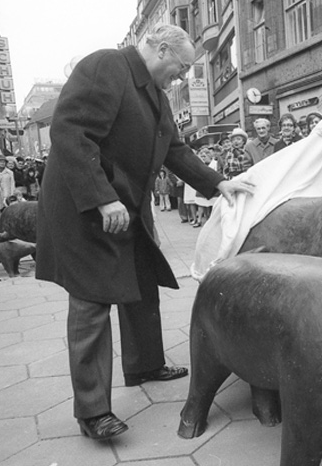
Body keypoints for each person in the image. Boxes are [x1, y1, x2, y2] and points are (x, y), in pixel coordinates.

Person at [35, 24, 254, 441]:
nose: (185, 76)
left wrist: (217, 183)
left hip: (125, 206)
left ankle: (144, 364)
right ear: (163, 48)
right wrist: (101, 197)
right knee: (92, 302)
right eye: (182, 66)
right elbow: (71, 132)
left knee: (140, 282)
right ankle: (93, 411)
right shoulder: (106, 66)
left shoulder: (155, 92)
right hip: (86, 209)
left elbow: (173, 148)